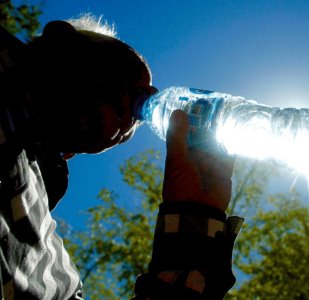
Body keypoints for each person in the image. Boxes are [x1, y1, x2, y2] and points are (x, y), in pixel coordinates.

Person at [0, 15, 243, 300]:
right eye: (131, 73)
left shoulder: (51, 270)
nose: (150, 94)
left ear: (69, 153)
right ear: (59, 40)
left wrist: (193, 221)